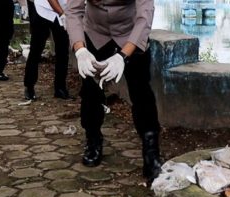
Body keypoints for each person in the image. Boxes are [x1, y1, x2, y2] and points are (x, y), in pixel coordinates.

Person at [65, 0, 163, 183]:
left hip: (130, 33)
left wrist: (122, 56)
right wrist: (80, 50)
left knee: (142, 93)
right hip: (95, 33)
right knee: (90, 91)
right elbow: (73, 11)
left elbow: (145, 15)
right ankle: (93, 138)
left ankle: (151, 151)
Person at [18, 0, 74, 101]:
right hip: (42, 9)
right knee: (37, 48)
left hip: (62, 9)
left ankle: (60, 88)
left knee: (63, 50)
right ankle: (29, 86)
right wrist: (62, 14)